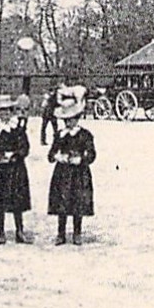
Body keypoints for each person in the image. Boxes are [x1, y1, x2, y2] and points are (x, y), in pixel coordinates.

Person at [47, 86, 96, 245]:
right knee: (62, 203)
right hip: (62, 173)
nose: (69, 122)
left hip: (79, 173)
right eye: (66, 120)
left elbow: (92, 154)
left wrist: (81, 159)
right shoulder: (60, 135)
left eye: (72, 119)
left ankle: (77, 233)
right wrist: (57, 156)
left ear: (78, 117)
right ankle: (61, 233)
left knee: (77, 203)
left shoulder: (85, 135)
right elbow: (50, 154)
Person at [0, 93, 33, 244]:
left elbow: (25, 147)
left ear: (12, 111)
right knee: (0, 201)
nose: (4, 114)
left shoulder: (18, 127)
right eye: (1, 111)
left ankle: (19, 231)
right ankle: (1, 232)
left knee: (17, 200)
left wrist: (14, 155)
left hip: (15, 169)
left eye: (7, 110)